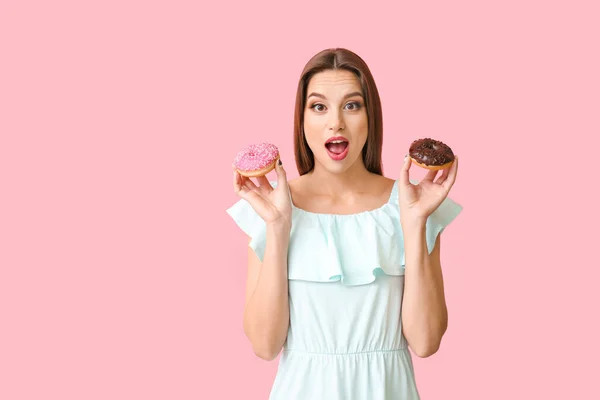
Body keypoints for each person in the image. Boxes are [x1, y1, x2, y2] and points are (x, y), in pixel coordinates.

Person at [226, 48, 462, 400]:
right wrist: (277, 228)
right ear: (302, 120)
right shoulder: (272, 207)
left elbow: (426, 342)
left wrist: (414, 225)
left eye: (352, 105)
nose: (335, 122)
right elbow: (265, 345)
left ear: (371, 117)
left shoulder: (412, 205)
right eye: (319, 107)